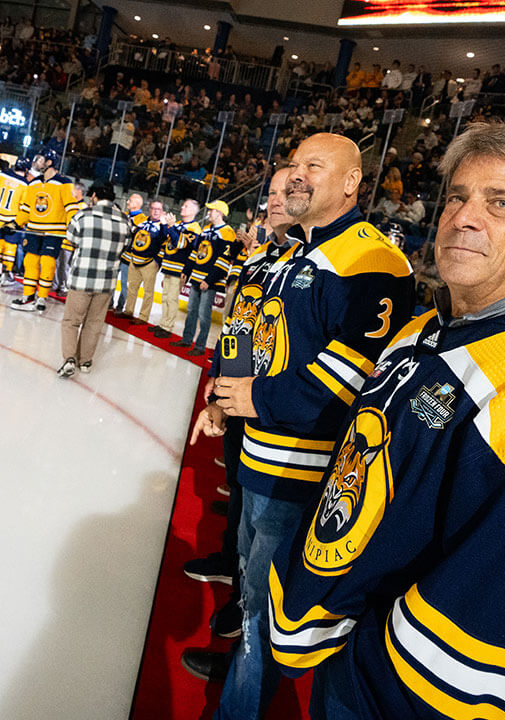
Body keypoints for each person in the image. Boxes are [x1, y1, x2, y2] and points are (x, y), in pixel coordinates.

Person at [266, 122, 505, 720]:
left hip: (387, 691)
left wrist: (367, 669)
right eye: (458, 196)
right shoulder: (422, 330)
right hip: (343, 648)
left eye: (501, 203)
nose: (464, 217)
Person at [188, 133, 416, 719]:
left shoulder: (375, 261)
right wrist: (221, 400)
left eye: (313, 166)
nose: (294, 175)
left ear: (350, 183)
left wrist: (253, 398)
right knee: (250, 591)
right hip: (254, 458)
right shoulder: (291, 253)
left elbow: (345, 375)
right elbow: (249, 336)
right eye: (292, 164)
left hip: (302, 476)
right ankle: (241, 679)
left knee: (267, 613)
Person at [180, 167, 298, 674]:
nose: (274, 202)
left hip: (277, 412)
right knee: (237, 488)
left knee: (261, 516)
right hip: (238, 396)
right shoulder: (258, 261)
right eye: (269, 193)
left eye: (285, 193)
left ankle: (248, 608)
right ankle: (229, 562)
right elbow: (237, 329)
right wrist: (217, 383)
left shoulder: (310, 265)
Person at [56, 182, 130, 377]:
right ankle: (86, 362)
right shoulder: (125, 221)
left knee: (72, 320)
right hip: (106, 282)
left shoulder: (82, 215)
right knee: (94, 323)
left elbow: (71, 239)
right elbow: (126, 245)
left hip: (82, 279)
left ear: (95, 196)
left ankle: (70, 359)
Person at [10, 148, 83, 313]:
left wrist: (73, 228)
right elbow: (26, 209)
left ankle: (42, 297)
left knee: (47, 263)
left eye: (40, 159)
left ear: (50, 163)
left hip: (53, 232)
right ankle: (28, 296)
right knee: (30, 262)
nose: (37, 162)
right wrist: (15, 223)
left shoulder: (65, 184)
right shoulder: (34, 183)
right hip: (34, 229)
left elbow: (72, 209)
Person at [173, 200, 237, 357]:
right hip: (196, 277)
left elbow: (224, 261)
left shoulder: (228, 233)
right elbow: (196, 252)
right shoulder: (206, 229)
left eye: (212, 210)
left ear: (220, 213)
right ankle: (187, 339)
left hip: (210, 282)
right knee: (191, 310)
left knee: (204, 313)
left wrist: (209, 280)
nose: (208, 212)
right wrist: (187, 270)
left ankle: (200, 345)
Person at [152, 198, 201, 340]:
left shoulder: (194, 228)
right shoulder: (178, 224)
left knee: (172, 299)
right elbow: (165, 239)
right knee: (165, 297)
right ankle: (162, 323)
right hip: (168, 265)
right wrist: (163, 225)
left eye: (186, 206)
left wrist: (171, 227)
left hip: (178, 269)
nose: (182, 208)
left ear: (193, 211)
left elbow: (180, 243)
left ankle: (167, 327)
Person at [119, 198, 168, 325]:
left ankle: (143, 317)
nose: (156, 211)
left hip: (150, 263)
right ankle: (128, 311)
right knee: (132, 288)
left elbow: (164, 242)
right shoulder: (142, 223)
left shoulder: (163, 226)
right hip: (134, 260)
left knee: (148, 292)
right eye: (153, 208)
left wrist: (157, 261)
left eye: (159, 209)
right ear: (149, 209)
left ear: (162, 211)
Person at [0, 157, 28, 287]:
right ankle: (7, 272)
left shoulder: (2, 176)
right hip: (11, 219)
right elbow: (24, 207)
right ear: (26, 170)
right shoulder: (25, 185)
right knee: (10, 245)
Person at [113, 193, 146, 314]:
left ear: (136, 204)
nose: (127, 202)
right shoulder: (124, 215)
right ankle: (110, 303)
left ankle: (120, 306)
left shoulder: (143, 219)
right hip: (117, 254)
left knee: (124, 284)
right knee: (111, 279)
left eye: (130, 201)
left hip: (129, 258)